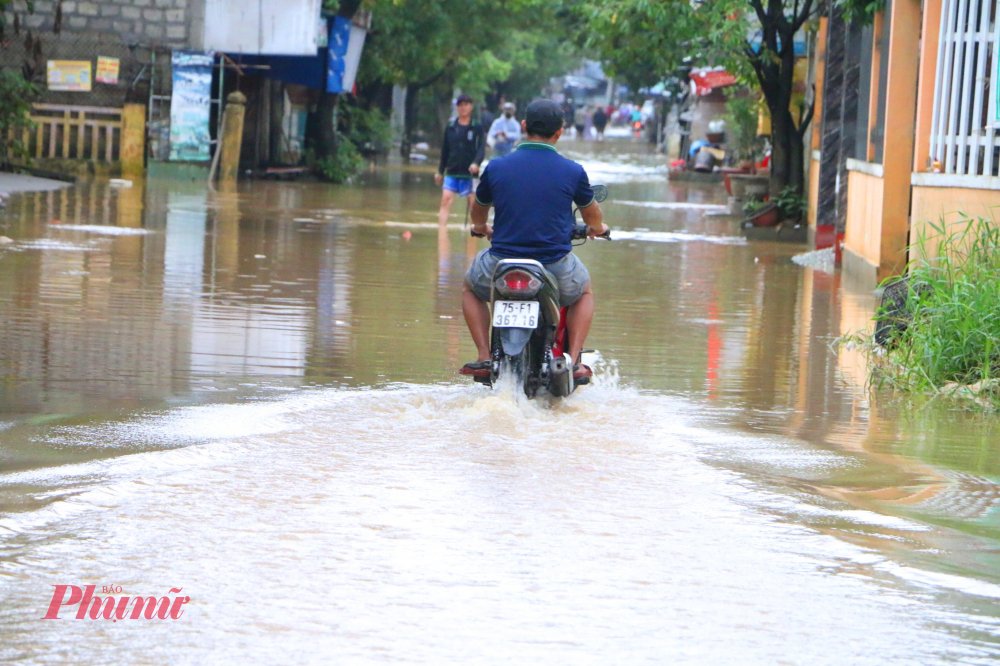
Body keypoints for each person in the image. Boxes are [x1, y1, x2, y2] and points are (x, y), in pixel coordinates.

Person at [462, 99, 608, 376]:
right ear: (560, 132)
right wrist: (598, 229)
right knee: (584, 291)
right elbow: (593, 217)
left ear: (524, 126)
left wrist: (481, 227)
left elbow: (478, 212)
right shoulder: (573, 171)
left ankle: (483, 356)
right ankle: (574, 361)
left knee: (470, 287)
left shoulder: (496, 167)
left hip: (500, 263)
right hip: (554, 264)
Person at [435, 94, 485, 229]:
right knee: (445, 200)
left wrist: (476, 163)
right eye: (460, 105)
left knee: (472, 203)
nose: (463, 108)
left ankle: (473, 235)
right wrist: (440, 171)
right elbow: (445, 149)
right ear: (457, 107)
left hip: (469, 172)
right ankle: (442, 231)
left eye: (466, 104)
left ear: (471, 106)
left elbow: (481, 149)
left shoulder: (477, 127)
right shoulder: (450, 126)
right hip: (452, 170)